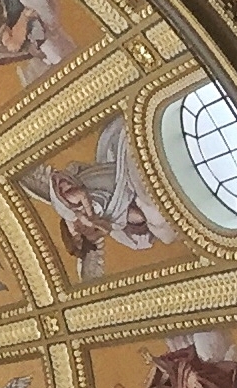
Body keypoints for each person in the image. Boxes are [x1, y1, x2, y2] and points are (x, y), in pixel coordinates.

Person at [17, 116, 175, 279]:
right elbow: (117, 224)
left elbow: (81, 195)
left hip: (124, 172)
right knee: (161, 230)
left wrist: (86, 215)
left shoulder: (72, 207)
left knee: (150, 209)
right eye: (83, 240)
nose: (82, 234)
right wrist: (104, 224)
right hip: (130, 196)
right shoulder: (111, 228)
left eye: (76, 236)